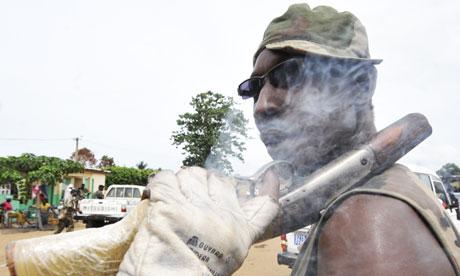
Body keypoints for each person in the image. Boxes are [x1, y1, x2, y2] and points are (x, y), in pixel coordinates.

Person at [236, 3, 460, 275]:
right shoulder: (354, 203)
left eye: (288, 74)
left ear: (360, 85)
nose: (261, 106)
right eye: (255, 88)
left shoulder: (364, 225)